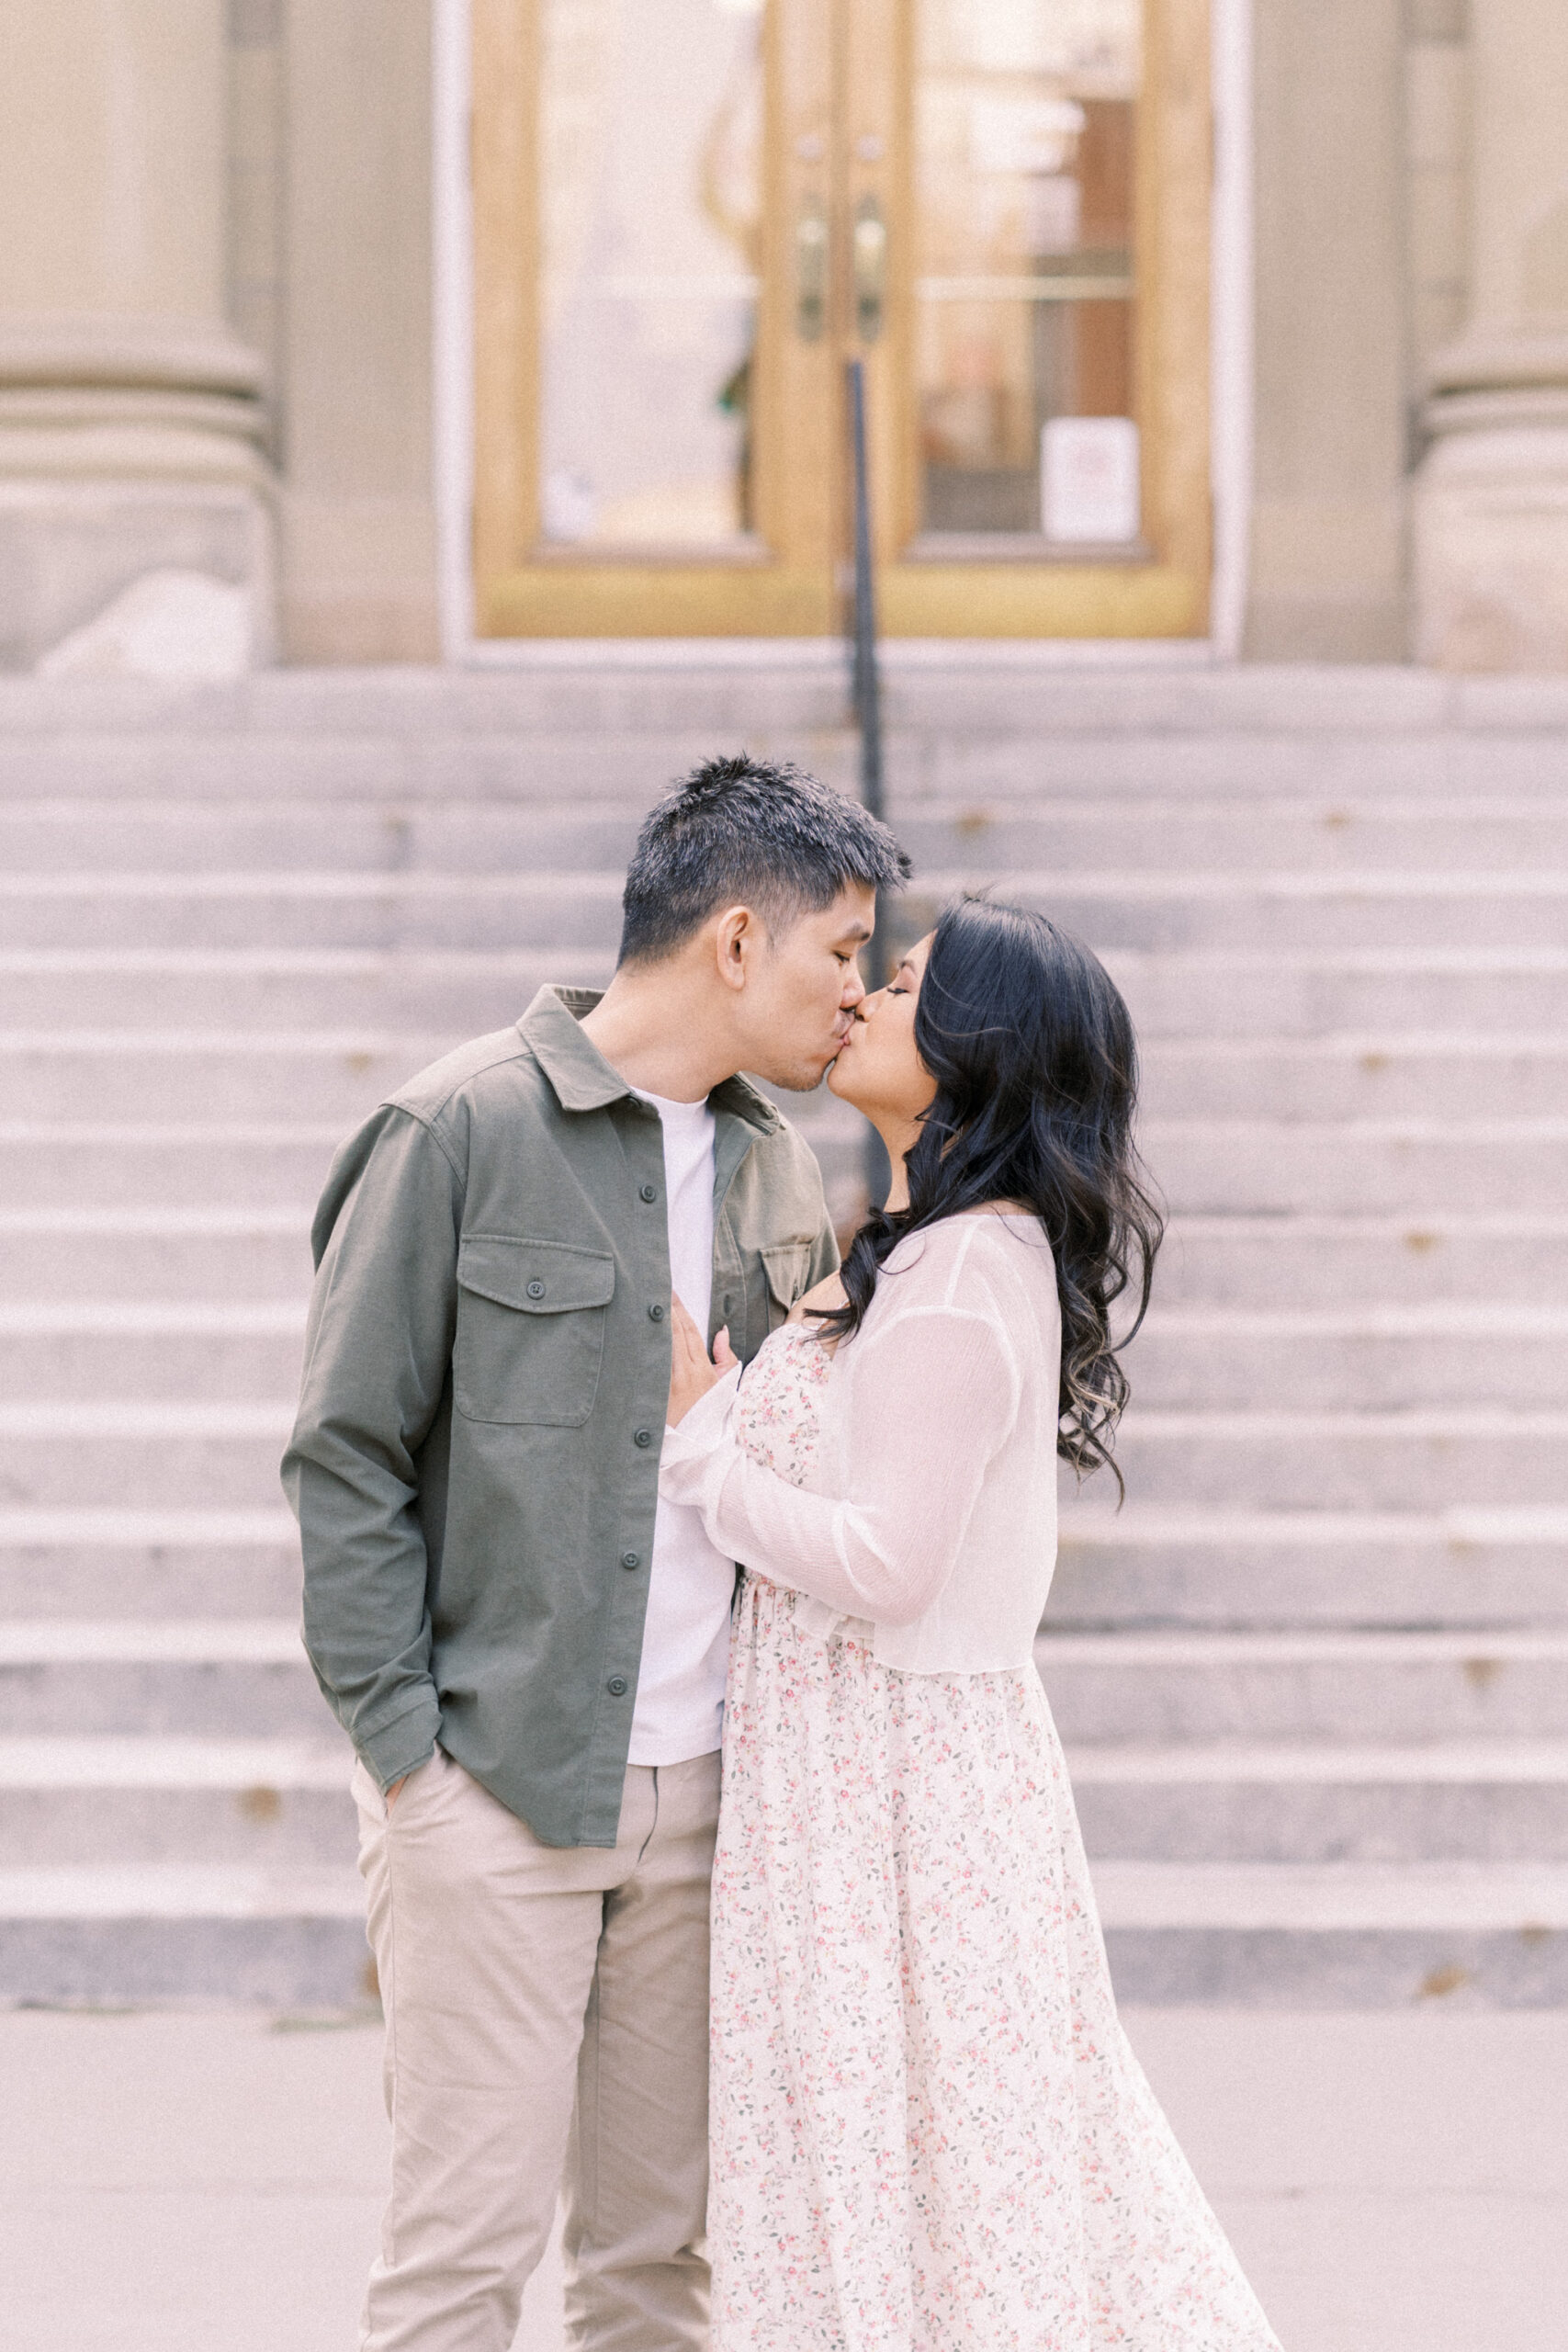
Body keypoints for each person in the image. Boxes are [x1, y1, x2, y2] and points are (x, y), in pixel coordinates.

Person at [281, 753, 910, 2352]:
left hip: (713, 1803)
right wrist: (410, 1758)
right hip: (495, 1787)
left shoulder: (779, 1164)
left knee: (654, 2278)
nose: (859, 994)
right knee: (458, 2270)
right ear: (737, 941)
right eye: (845, 952)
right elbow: (346, 1454)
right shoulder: (455, 1129)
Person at [661, 898, 1284, 2351]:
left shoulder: (953, 1280)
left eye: (907, 986)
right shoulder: (932, 1246)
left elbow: (888, 1563)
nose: (868, 1001)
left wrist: (701, 1458)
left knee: (941, 2184)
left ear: (977, 1052)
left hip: (898, 1787)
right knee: (920, 2179)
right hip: (870, 1769)